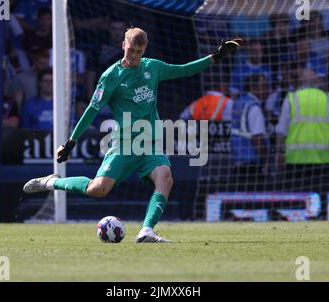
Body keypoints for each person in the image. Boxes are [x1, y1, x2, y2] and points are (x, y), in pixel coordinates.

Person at [23, 27, 242, 243]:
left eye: (139, 52)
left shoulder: (153, 68)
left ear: (144, 49)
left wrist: (215, 57)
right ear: (123, 46)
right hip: (125, 143)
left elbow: (184, 69)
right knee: (98, 190)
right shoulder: (111, 76)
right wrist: (71, 142)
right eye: (131, 51)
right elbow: (92, 109)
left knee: (165, 178)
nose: (134, 56)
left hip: (150, 142)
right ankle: (52, 183)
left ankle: (146, 230)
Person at [275, 69, 329, 201]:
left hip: (295, 160)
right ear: (316, 81)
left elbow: (281, 130)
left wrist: (279, 152)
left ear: (300, 81)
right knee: (321, 200)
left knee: (295, 201)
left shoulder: (291, 98)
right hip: (322, 160)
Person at [230, 73, 269, 192]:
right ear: (254, 87)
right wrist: (266, 161)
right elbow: (257, 138)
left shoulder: (238, 103)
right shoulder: (254, 108)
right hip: (251, 165)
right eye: (264, 86)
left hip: (237, 161)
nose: (267, 89)